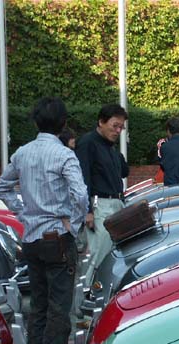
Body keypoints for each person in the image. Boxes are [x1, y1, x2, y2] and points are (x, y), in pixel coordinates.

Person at [0, 97, 88, 344]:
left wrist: (24, 213)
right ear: (63, 123)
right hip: (58, 236)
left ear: (36, 122)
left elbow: (2, 187)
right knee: (59, 308)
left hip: (31, 238)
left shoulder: (22, 153)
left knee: (38, 307)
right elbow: (81, 195)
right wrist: (73, 225)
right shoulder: (63, 154)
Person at [75, 103, 128, 285]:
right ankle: (85, 294)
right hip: (99, 205)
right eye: (115, 125)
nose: (118, 131)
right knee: (98, 254)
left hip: (115, 204)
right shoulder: (87, 143)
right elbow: (83, 178)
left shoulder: (110, 147)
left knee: (111, 255)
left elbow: (124, 171)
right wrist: (87, 211)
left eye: (121, 127)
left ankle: (100, 292)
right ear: (101, 122)